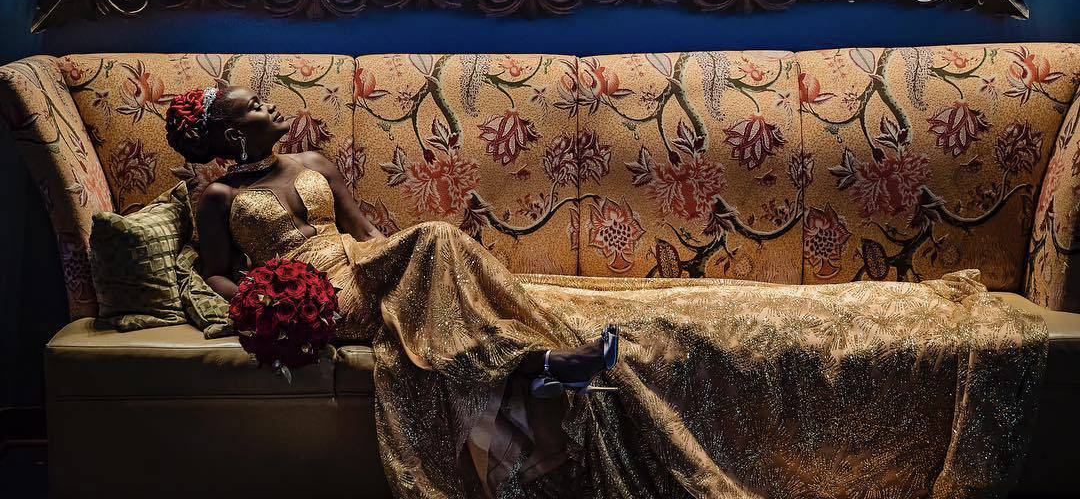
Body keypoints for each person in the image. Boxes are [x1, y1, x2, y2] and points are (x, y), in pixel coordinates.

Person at [166, 85, 1046, 499]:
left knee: (428, 243)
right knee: (433, 246)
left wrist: (368, 261)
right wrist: (262, 300)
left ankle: (528, 357)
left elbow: (365, 227)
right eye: (255, 107)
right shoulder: (218, 198)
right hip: (316, 291)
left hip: (363, 263)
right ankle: (541, 362)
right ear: (226, 128)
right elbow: (213, 267)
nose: (273, 110)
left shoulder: (314, 162)